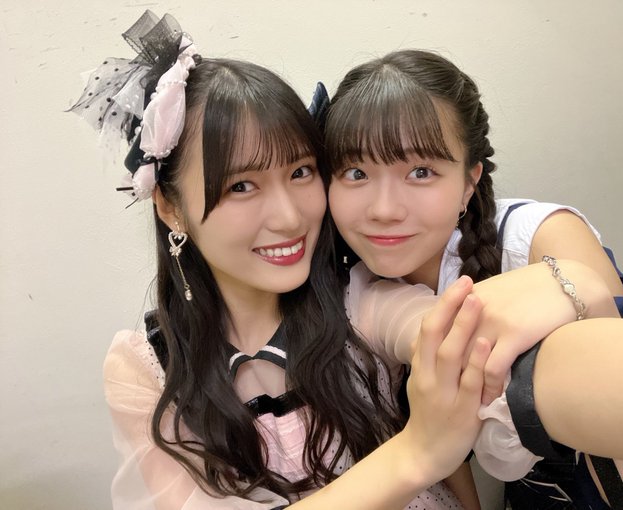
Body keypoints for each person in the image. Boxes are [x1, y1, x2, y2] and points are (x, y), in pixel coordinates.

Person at [70, 12, 492, 510]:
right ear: (170, 207)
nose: (291, 218)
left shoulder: (358, 299)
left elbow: (447, 332)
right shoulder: (145, 368)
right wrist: (416, 455)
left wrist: (561, 279)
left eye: (301, 172)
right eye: (241, 186)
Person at [323, 49, 623, 508]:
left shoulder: (538, 237)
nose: (384, 209)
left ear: (469, 182)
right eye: (356, 173)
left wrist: (581, 289)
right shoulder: (354, 290)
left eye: (421, 172)